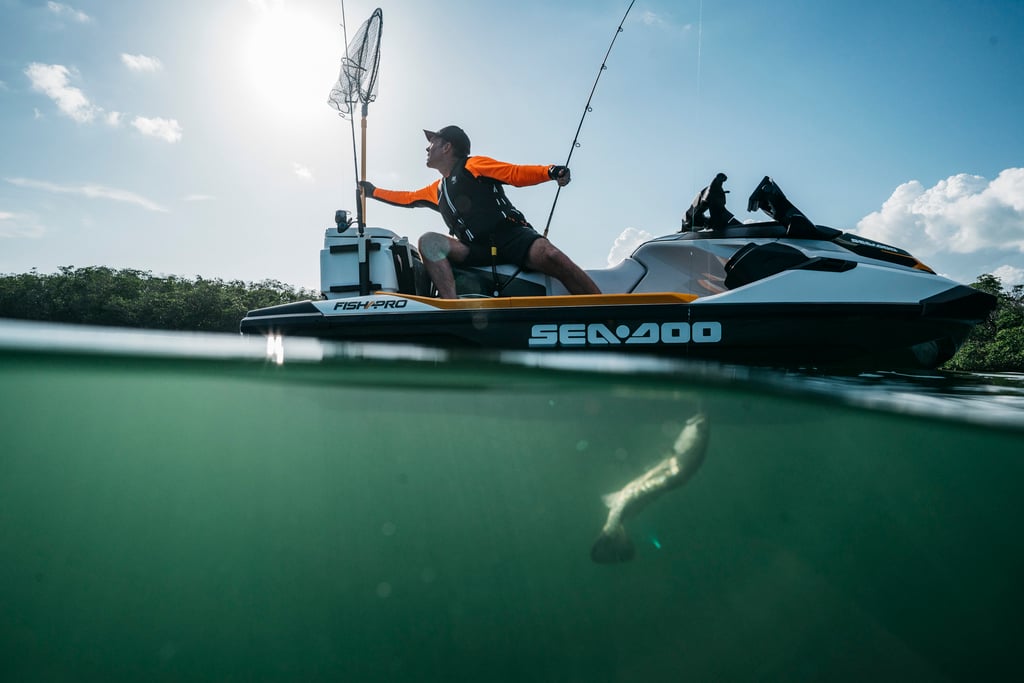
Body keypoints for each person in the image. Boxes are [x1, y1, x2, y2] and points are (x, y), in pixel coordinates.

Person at [359, 125, 601, 299]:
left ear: (447, 147)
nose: (427, 147)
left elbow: (514, 173)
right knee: (428, 242)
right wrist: (372, 192)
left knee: (550, 255)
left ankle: (605, 310)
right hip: (473, 248)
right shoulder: (436, 190)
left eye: (432, 142)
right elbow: (408, 198)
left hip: (512, 236)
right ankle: (451, 308)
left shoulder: (473, 165)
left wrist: (550, 171)